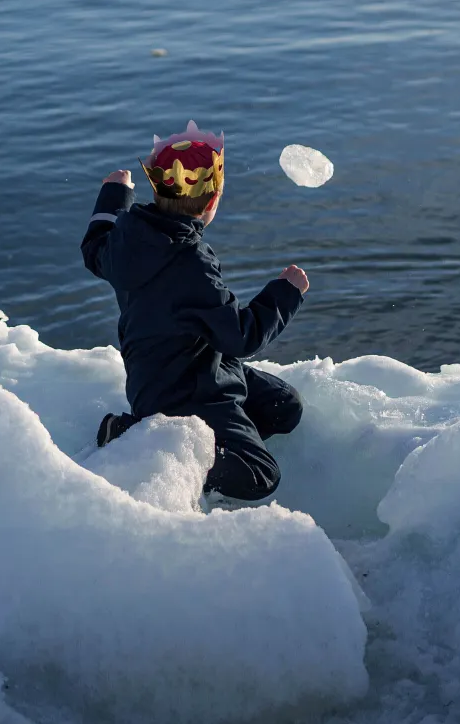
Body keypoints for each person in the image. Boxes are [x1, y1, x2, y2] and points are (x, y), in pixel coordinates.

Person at [80, 120, 310, 502]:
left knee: (284, 407)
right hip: (184, 392)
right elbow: (242, 336)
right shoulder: (191, 265)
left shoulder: (126, 241)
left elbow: (94, 247)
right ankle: (135, 437)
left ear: (157, 189)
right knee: (261, 475)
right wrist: (285, 293)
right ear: (213, 200)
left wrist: (114, 193)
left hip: (184, 367)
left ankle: (219, 440)